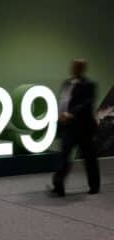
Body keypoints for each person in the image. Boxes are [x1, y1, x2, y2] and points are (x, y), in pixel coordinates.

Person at [50, 59, 100, 197]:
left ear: (83, 69)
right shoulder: (66, 83)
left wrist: (71, 114)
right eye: (74, 66)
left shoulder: (89, 85)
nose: (75, 68)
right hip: (68, 127)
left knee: (89, 158)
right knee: (64, 155)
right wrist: (60, 115)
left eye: (79, 66)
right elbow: (63, 101)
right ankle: (58, 185)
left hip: (83, 127)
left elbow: (87, 104)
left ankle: (94, 186)